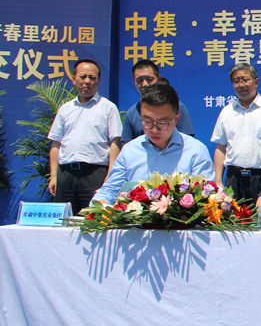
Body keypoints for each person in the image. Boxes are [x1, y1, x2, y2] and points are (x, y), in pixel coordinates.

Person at [92, 83, 214, 204]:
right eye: (147, 121)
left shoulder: (195, 151)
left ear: (176, 119)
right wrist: (100, 204)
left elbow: (206, 195)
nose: (154, 130)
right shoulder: (129, 151)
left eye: (162, 123)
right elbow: (110, 190)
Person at [48, 59, 122, 214]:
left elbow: (115, 143)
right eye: (82, 77)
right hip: (66, 174)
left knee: (93, 219)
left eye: (92, 77)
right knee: (64, 220)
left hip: (95, 174)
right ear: (74, 78)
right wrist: (54, 176)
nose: (87, 81)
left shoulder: (108, 108)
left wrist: (110, 176)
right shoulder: (65, 109)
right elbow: (56, 144)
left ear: (98, 81)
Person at [211, 63, 261, 202]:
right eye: (236, 81)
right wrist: (218, 179)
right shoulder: (227, 112)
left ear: (256, 81)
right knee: (232, 215)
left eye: (245, 80)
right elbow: (221, 147)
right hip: (233, 178)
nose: (241, 85)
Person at [121, 59, 194, 143]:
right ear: (134, 82)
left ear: (158, 79)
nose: (144, 84)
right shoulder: (131, 113)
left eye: (149, 79)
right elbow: (128, 146)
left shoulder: (178, 107)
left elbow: (187, 142)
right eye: (139, 80)